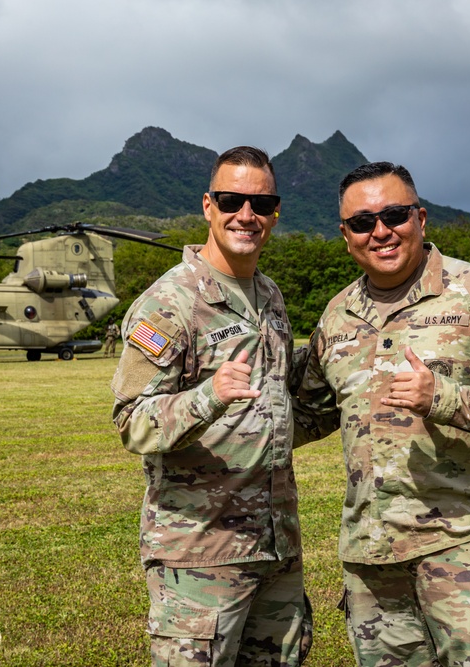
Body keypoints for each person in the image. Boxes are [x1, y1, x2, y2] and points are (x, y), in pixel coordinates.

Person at [298, 161, 470, 667]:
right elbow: (310, 412)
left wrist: (446, 397)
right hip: (372, 558)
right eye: (363, 222)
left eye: (394, 214)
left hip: (465, 545)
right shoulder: (338, 315)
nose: (381, 231)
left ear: (421, 218)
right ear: (346, 235)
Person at [111, 146, 313, 666]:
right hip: (200, 553)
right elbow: (132, 422)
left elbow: (274, 409)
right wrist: (208, 396)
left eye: (260, 203)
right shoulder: (170, 303)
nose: (246, 214)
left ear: (275, 212)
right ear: (208, 206)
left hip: (274, 549)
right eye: (231, 200)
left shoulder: (269, 296)